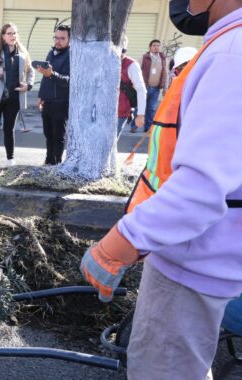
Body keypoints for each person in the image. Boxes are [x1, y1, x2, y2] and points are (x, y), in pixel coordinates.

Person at [80, 1, 242, 379]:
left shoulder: (233, 54)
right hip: (205, 255)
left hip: (193, 264)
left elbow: (200, 188)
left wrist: (118, 245)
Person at [0, 23, 34, 170]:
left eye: (14, 33)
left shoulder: (23, 52)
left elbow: (30, 71)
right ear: (3, 36)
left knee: (9, 129)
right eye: (9, 33)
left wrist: (28, 85)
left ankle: (10, 159)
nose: (12, 36)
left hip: (14, 98)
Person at [38, 24, 71, 166]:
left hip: (61, 102)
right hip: (48, 100)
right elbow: (46, 77)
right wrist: (41, 95)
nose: (58, 41)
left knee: (58, 135)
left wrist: (52, 74)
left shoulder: (72, 55)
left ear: (70, 39)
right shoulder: (51, 53)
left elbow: (67, 80)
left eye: (62, 38)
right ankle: (49, 161)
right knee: (47, 134)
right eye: (56, 37)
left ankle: (56, 163)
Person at [117, 35, 147, 136]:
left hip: (120, 111)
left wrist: (141, 114)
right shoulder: (103, 62)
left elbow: (141, 89)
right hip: (101, 111)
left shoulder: (131, 65)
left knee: (109, 144)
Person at [141, 39, 167, 133]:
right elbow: (139, 71)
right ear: (150, 47)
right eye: (154, 45)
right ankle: (134, 125)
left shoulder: (162, 58)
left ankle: (148, 127)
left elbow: (165, 73)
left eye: (158, 45)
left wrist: (164, 88)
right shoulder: (145, 57)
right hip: (145, 87)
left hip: (156, 88)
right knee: (140, 107)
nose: (156, 47)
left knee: (151, 108)